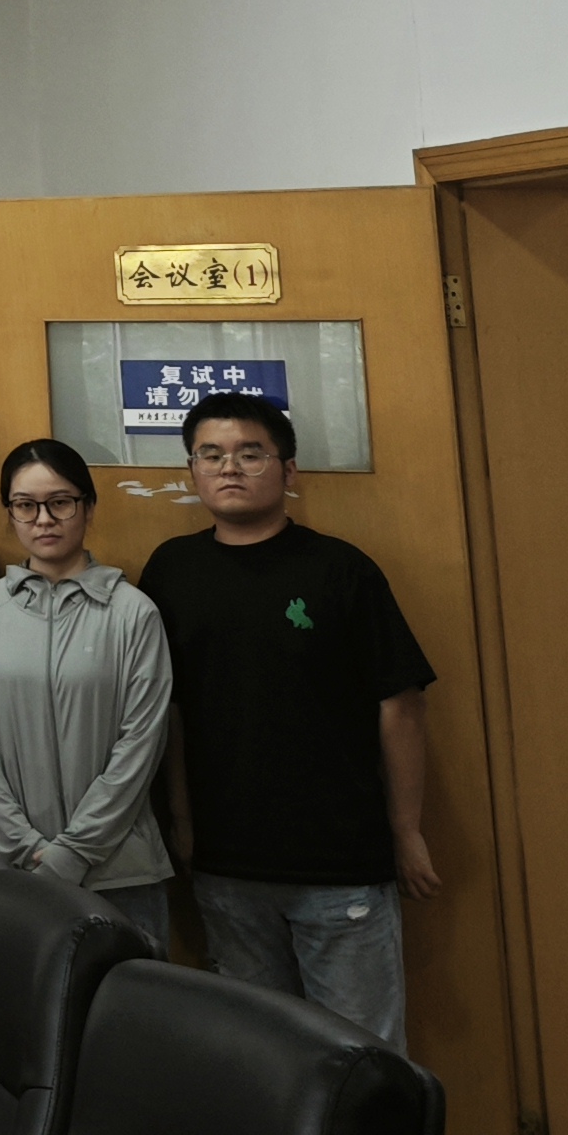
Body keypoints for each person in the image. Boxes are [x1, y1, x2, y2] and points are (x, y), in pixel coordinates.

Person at [140, 393, 437, 1047]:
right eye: (211, 455)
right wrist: (182, 819)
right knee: (258, 1056)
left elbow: (401, 704)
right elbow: (169, 710)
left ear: (289, 470)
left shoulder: (341, 570)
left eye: (250, 453)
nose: (229, 468)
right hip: (227, 865)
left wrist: (406, 830)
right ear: (192, 471)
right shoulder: (172, 570)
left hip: (340, 862)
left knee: (361, 1057)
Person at [0, 440, 174, 954]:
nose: (44, 519)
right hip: (14, 869)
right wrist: (23, 846)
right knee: (26, 1004)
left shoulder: (134, 613)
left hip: (121, 871)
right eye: (25, 505)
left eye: (60, 502)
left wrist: (72, 853)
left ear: (88, 508)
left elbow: (141, 744)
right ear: (10, 513)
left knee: (129, 1003)